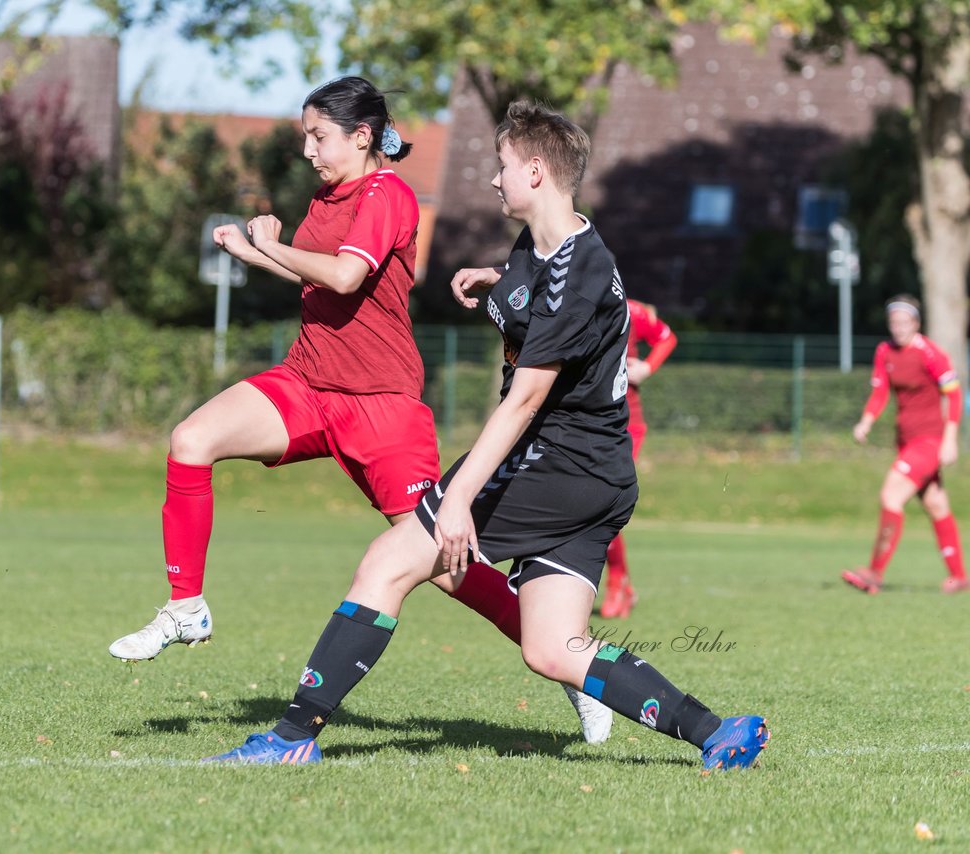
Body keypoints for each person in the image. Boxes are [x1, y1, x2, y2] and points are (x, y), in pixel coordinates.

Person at [204, 101, 769, 769]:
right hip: (598, 474)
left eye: (502, 168)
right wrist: (498, 280)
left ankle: (292, 736)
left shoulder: (576, 273)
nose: (494, 180)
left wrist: (460, 496)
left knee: (387, 564)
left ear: (535, 171)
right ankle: (717, 732)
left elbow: (527, 397)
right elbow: (547, 304)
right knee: (552, 648)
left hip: (554, 465)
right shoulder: (544, 245)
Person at [107, 77, 610, 742]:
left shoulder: (391, 195)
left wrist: (265, 245)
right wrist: (253, 252)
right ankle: (185, 607)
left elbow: (346, 275)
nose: (309, 150)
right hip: (308, 382)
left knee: (449, 568)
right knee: (192, 438)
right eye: (306, 137)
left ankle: (577, 671)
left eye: (319, 136)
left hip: (381, 407)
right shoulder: (328, 196)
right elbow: (318, 272)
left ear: (361, 135)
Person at [842, 295, 967, 595]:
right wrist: (866, 421)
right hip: (906, 441)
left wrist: (950, 440)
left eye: (904, 322)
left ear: (916, 323)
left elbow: (954, 395)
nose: (898, 328)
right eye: (893, 322)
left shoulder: (930, 353)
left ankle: (874, 573)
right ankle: (960, 576)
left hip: (930, 441)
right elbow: (880, 392)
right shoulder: (885, 351)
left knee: (891, 495)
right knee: (936, 504)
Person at [598, 299, 676, 619]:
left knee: (603, 502)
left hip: (624, 424)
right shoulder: (563, 302)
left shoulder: (628, 309)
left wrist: (647, 367)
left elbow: (666, 337)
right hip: (575, 422)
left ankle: (619, 583)